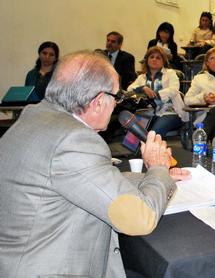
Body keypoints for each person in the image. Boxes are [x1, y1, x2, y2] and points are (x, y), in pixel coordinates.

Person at [0, 50, 190, 277]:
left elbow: (82, 179)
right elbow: (140, 219)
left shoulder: (36, 116)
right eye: (116, 98)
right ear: (99, 102)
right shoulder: (75, 140)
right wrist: (158, 168)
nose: (117, 105)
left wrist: (154, 177)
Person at [128, 46, 188, 138]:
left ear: (163, 61)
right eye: (151, 57)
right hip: (149, 113)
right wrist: (143, 88)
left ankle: (149, 150)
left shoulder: (170, 73)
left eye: (158, 57)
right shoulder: (142, 77)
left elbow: (174, 89)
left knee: (153, 134)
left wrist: (156, 95)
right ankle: (140, 151)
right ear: (147, 60)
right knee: (134, 133)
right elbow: (130, 89)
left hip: (170, 112)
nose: (154, 59)